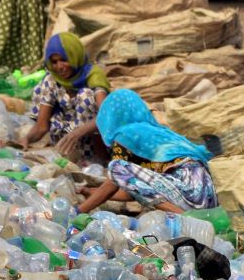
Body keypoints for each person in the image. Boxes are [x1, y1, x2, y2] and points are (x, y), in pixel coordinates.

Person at [78, 89, 218, 214]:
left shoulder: (125, 135)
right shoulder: (157, 132)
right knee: (123, 174)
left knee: (116, 168)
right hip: (207, 196)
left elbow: (114, 180)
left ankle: (185, 217)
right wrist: (90, 192)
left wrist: (78, 211)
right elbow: (133, 189)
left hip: (189, 192)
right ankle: (186, 215)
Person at [20, 33, 110, 162]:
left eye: (64, 60)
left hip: (92, 144)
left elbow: (105, 115)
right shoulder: (52, 80)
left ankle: (100, 159)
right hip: (65, 145)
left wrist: (78, 133)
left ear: (74, 57)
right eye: (54, 62)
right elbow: (42, 126)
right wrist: (26, 139)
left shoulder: (93, 75)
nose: (59, 66)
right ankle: (68, 156)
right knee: (42, 87)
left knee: (86, 95)